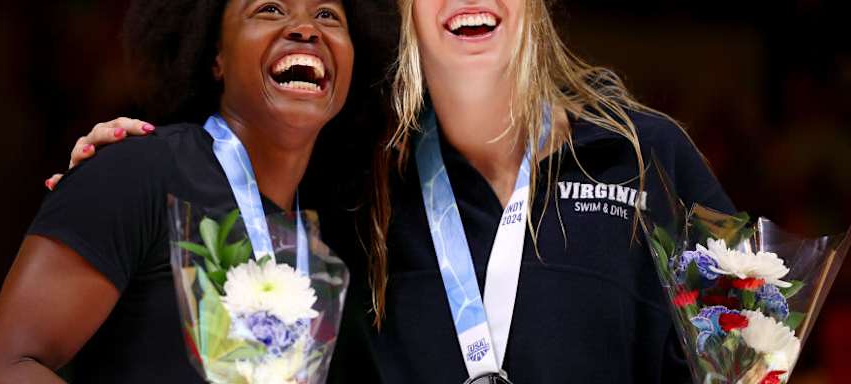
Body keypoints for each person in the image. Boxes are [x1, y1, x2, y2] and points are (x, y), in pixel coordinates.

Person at [57, 0, 734, 383]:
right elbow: (223, 181)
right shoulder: (354, 176)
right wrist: (141, 165)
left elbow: (750, 354)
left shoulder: (644, 154)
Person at [0, 0, 396, 382]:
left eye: (327, 15)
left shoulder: (344, 236)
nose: (305, 28)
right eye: (269, 9)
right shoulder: (137, 172)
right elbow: (2, 370)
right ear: (216, 57)